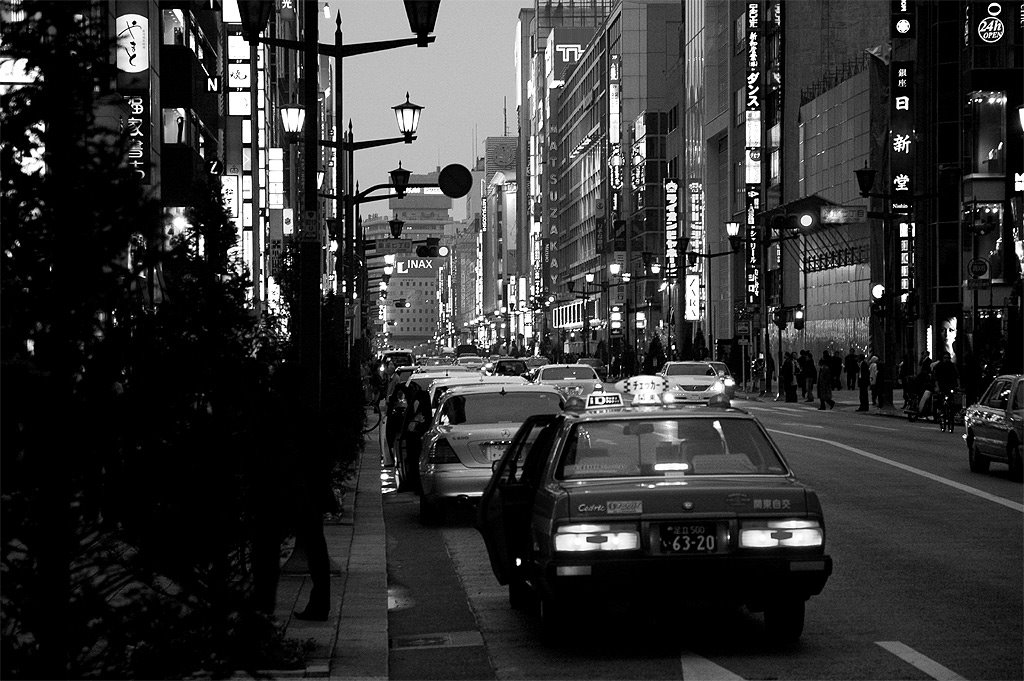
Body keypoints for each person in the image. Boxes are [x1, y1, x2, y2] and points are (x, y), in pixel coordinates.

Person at [251, 363, 333, 621]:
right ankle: (321, 603)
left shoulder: (270, 416)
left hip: (278, 490)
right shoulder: (308, 415)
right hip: (306, 489)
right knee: (316, 547)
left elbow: (261, 456)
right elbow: (322, 455)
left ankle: (264, 606)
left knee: (267, 549)